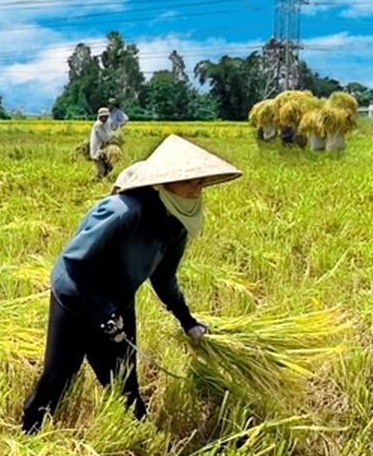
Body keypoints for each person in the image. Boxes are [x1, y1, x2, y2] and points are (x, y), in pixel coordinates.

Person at [21, 135, 242, 434]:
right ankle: (29, 435)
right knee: (59, 376)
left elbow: (164, 278)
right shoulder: (123, 212)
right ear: (166, 182)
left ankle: (138, 435)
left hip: (118, 300)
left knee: (125, 379)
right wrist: (102, 313)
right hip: (76, 296)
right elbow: (75, 262)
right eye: (189, 181)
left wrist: (188, 321)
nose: (196, 189)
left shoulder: (175, 225)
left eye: (200, 182)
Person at [89, 107, 113, 180]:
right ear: (100, 116)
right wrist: (113, 138)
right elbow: (105, 138)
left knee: (109, 167)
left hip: (103, 150)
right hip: (97, 150)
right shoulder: (98, 125)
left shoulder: (105, 124)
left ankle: (101, 179)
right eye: (103, 116)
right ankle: (94, 181)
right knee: (101, 171)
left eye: (106, 116)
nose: (105, 118)